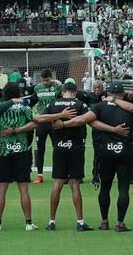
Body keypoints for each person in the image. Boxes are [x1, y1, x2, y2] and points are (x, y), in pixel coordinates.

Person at [0, 81, 72, 230]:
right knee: (23, 189)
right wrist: (61, 114)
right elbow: (39, 120)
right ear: (19, 94)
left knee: (1, 189)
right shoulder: (24, 107)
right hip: (21, 151)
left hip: (4, 152)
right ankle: (28, 223)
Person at [83, 82, 133, 232]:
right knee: (124, 188)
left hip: (105, 151)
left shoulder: (99, 106)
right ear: (123, 94)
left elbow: (89, 121)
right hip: (125, 151)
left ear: (108, 93)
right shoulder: (129, 108)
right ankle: (120, 224)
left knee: (105, 187)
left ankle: (104, 222)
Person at [45, 80, 92, 231]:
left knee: (57, 184)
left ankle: (51, 221)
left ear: (63, 91)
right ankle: (80, 222)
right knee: (74, 184)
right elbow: (86, 120)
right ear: (75, 92)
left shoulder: (53, 104)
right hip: (76, 147)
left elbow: (41, 118)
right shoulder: (80, 105)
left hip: (59, 147)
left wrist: (57, 121)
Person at [31, 69, 61, 184]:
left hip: (54, 121)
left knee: (57, 148)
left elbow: (68, 93)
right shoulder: (37, 88)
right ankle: (40, 175)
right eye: (43, 80)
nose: (45, 82)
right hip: (41, 123)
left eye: (47, 80)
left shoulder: (58, 86)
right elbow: (32, 101)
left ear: (51, 78)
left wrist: (60, 84)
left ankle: (57, 174)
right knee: (40, 149)